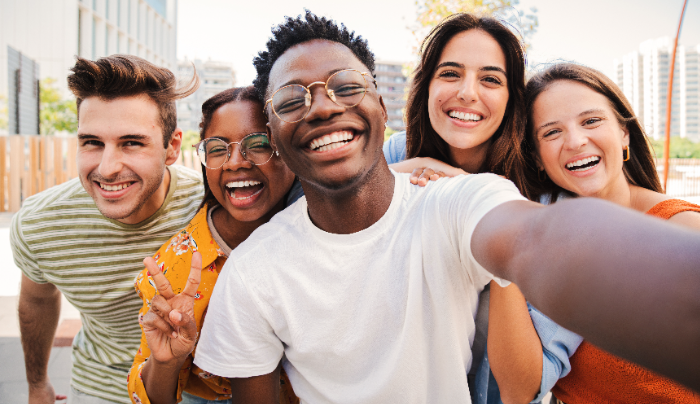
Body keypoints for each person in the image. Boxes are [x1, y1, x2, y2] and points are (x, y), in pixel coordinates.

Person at [191, 12, 700, 402]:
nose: (324, 106)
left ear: (379, 102)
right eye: (450, 73)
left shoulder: (492, 199)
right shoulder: (385, 162)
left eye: (492, 79)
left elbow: (538, 239)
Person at [383, 13, 577, 404]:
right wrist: (400, 174)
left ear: (512, 99)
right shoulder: (395, 154)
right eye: (450, 73)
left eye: (490, 79)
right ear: (426, 86)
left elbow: (521, 390)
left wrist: (495, 227)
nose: (468, 93)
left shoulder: (554, 209)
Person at [11, 55, 203, 404]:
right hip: (102, 386)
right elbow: (36, 301)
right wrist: (37, 384)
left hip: (202, 388)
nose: (108, 167)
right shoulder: (41, 223)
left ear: (172, 147)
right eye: (92, 142)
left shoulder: (210, 205)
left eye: (131, 142)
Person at [521, 62, 700, 403]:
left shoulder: (681, 229)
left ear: (624, 133)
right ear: (538, 158)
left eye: (591, 121)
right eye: (551, 132)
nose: (575, 141)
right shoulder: (543, 228)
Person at [127, 86, 301, 404]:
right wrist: (166, 361)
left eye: (259, 144)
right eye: (217, 149)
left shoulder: (320, 230)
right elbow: (151, 396)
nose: (235, 162)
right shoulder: (175, 272)